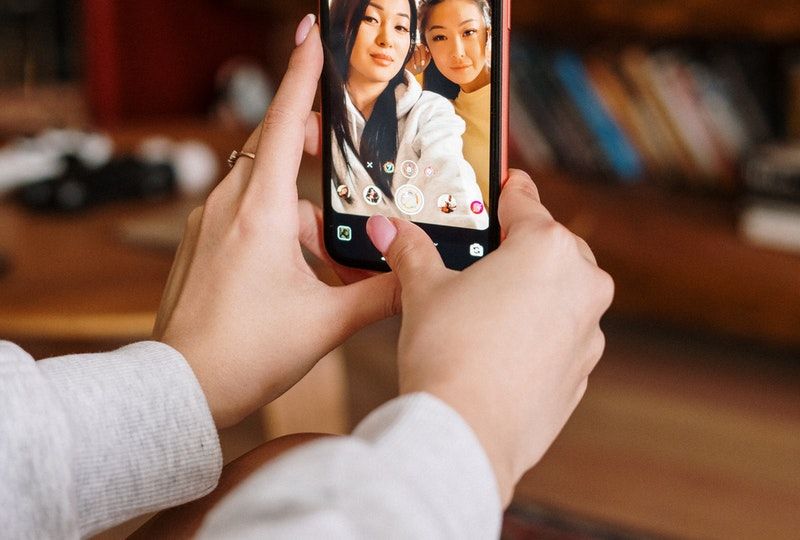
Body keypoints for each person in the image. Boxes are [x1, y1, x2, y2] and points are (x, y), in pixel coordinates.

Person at [0, 15, 613, 539]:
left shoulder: (428, 116)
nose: (384, 40)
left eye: (400, 27)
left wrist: (178, 381)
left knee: (294, 459)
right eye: (369, 21)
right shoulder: (362, 119)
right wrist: (474, 427)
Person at [327, 0, 488, 229]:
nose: (457, 53)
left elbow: (449, 176)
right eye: (370, 18)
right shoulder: (327, 113)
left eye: (401, 27)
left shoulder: (432, 112)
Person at [416, 0, 493, 204]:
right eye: (440, 37)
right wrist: (413, 74)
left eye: (468, 32)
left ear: (489, 34)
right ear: (427, 48)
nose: (457, 52)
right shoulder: (445, 115)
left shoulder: (510, 100)